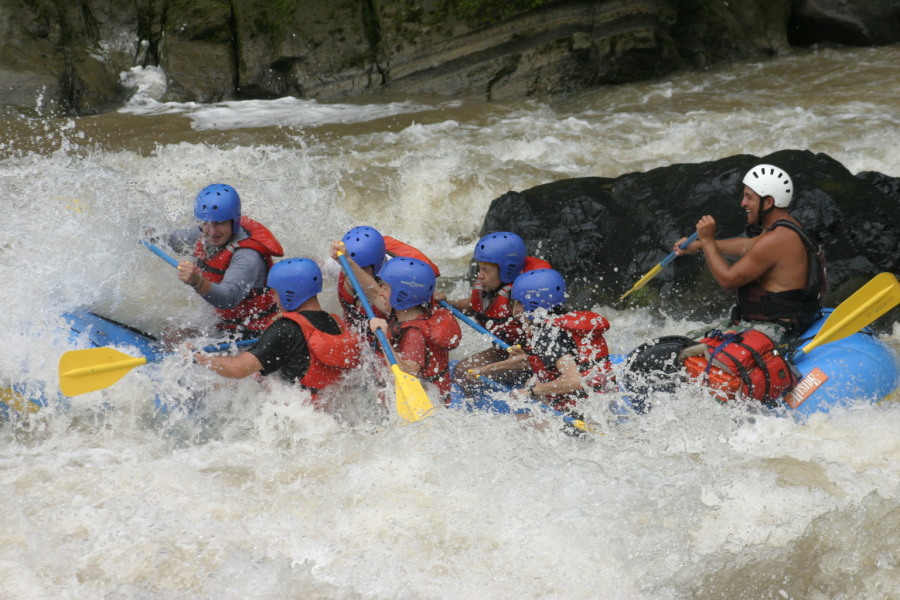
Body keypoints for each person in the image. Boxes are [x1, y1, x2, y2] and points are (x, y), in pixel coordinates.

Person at [673, 163, 825, 339]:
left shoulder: (777, 239)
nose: (743, 203)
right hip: (770, 321)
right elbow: (747, 246)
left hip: (777, 328)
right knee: (682, 341)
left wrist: (707, 241)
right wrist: (701, 245)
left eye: (749, 197)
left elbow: (727, 280)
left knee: (683, 351)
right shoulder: (784, 227)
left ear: (768, 202)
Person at [191, 258, 361, 407]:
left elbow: (238, 369)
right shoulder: (336, 322)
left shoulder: (286, 329)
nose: (273, 298)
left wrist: (198, 357)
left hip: (294, 412)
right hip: (326, 407)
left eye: (275, 292)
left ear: (289, 294)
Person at [466, 268, 612, 418]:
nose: (512, 309)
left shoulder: (547, 335)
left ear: (528, 305)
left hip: (580, 414)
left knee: (514, 422)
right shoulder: (560, 321)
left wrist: (531, 392)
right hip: (600, 403)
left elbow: (574, 381)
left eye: (515, 303)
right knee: (532, 380)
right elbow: (540, 361)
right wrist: (486, 370)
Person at [434, 231, 551, 394]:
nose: (479, 276)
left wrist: (488, 369)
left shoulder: (529, 297)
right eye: (479, 268)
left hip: (535, 360)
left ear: (507, 270)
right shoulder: (493, 288)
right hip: (507, 352)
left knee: (464, 372)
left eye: (485, 270)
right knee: (462, 372)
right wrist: (448, 304)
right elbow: (474, 305)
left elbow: (543, 352)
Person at [166, 183, 285, 340]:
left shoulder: (247, 256)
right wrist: (149, 234)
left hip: (253, 331)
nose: (212, 231)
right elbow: (172, 240)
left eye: (220, 223)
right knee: (171, 331)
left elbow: (228, 298)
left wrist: (197, 282)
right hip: (224, 323)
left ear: (234, 222)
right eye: (206, 223)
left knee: (175, 336)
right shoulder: (204, 232)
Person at [357, 256, 462, 404]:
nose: (380, 292)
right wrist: (347, 261)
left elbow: (408, 374)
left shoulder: (414, 335)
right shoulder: (409, 313)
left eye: (385, 288)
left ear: (401, 296)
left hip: (426, 403)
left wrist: (384, 340)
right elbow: (372, 293)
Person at [330, 225, 440, 336]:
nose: (353, 274)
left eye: (361, 269)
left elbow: (379, 298)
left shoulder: (400, 279)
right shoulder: (343, 264)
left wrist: (350, 263)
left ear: (376, 265)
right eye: (348, 268)